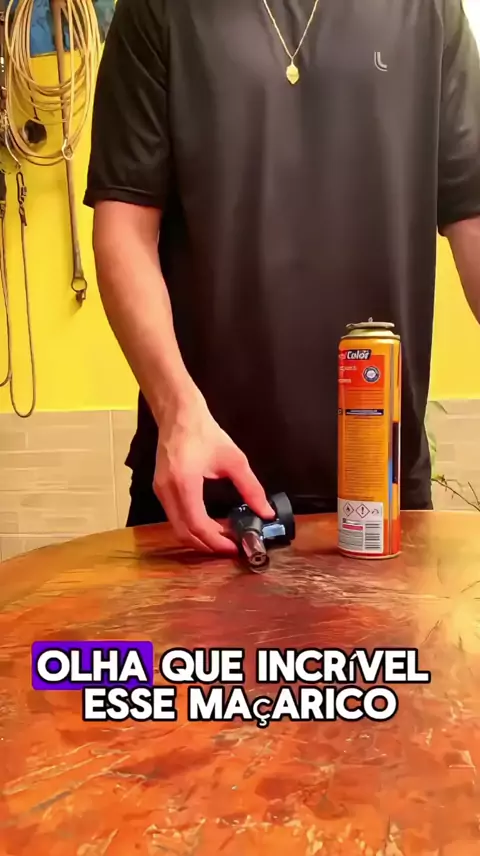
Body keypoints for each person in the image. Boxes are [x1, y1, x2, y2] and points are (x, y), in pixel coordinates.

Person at [84, 0, 480, 554]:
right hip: (204, 486)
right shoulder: (158, 9)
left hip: (379, 486)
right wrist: (175, 410)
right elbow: (124, 229)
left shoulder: (428, 9)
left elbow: (473, 215)